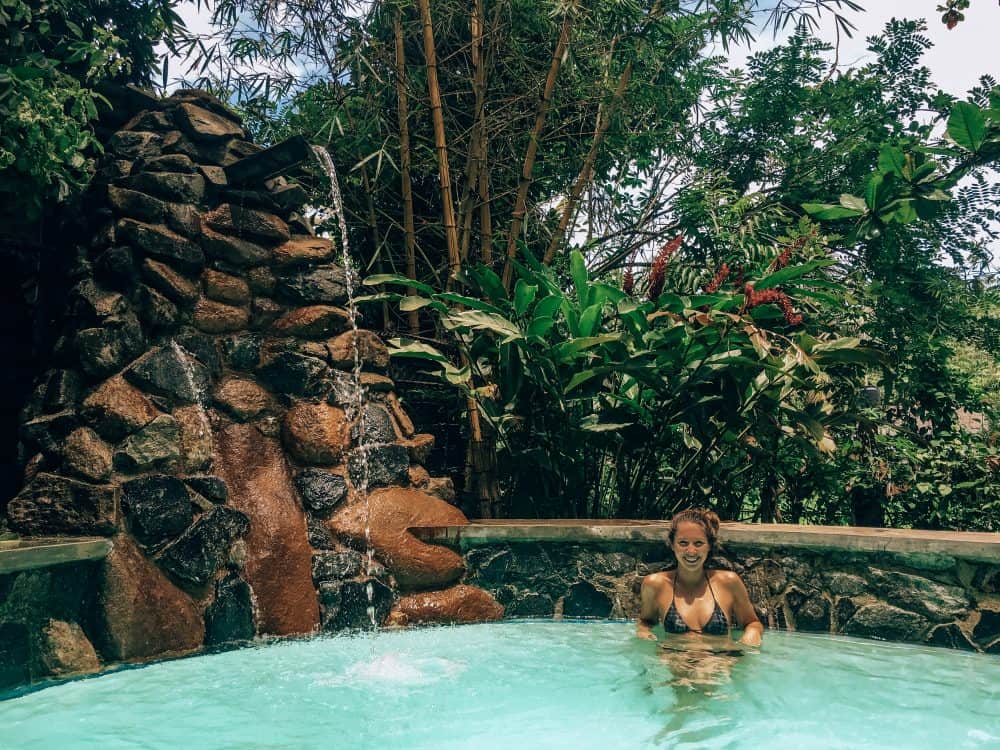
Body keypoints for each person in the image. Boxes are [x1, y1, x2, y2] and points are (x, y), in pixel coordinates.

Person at [636, 508, 763, 648]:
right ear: (672, 545)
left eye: (698, 543)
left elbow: (752, 622)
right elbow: (646, 621)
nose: (691, 551)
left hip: (720, 658)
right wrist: (643, 631)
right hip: (676, 658)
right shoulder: (655, 584)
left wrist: (753, 633)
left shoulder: (728, 582)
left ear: (709, 546)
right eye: (683, 543)